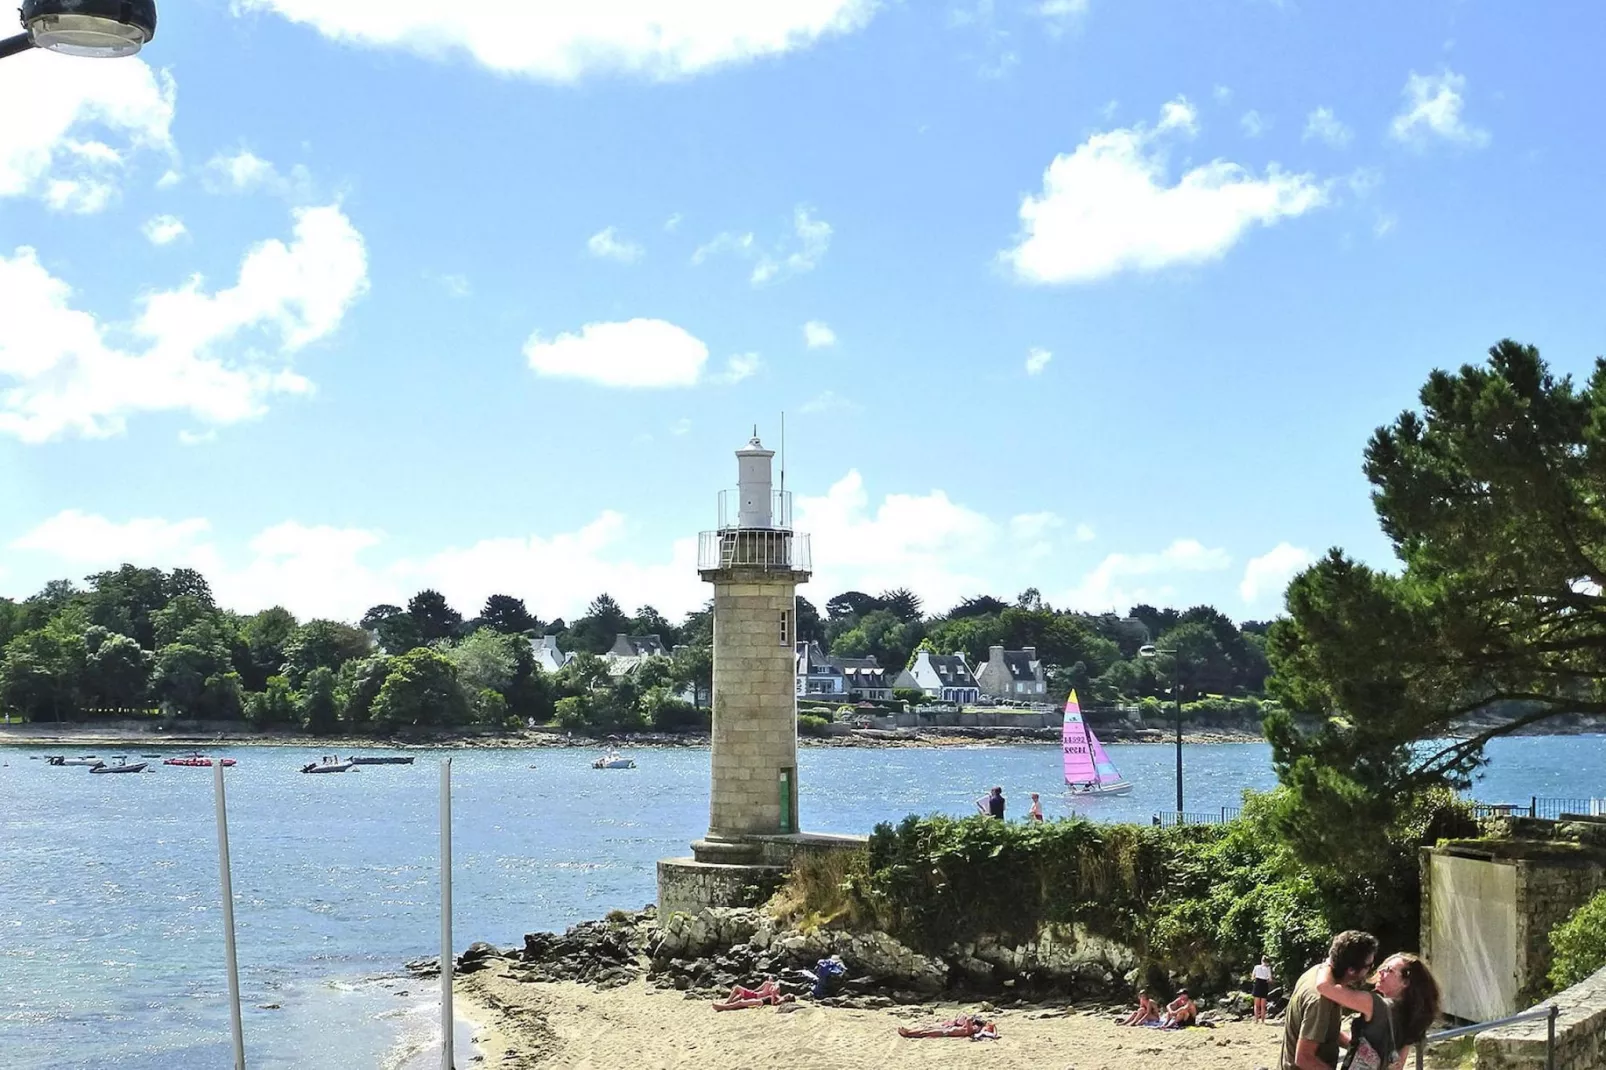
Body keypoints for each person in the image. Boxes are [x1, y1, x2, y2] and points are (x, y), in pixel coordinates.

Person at [1316, 953, 1441, 1070]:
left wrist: (1328, 964)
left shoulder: (1374, 1004)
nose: (1380, 971)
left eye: (1389, 970)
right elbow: (1396, 1064)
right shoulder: (1411, 1016)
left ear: (1405, 982)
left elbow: (1324, 986)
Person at [1281, 930, 1379, 1070]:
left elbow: (1322, 1031)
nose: (1370, 971)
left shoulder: (1318, 972)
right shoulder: (1321, 1000)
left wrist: (1355, 1047)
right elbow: (1304, 1058)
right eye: (1368, 966)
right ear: (1351, 970)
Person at [1253, 956, 1274, 1024]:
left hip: (1257, 984)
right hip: (1264, 984)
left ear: (1261, 960)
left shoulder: (1256, 967)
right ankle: (1262, 1020)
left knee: (1256, 1004)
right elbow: (1270, 979)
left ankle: (1256, 1020)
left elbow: (1253, 977)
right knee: (1263, 1005)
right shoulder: (1268, 968)